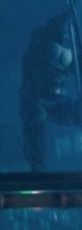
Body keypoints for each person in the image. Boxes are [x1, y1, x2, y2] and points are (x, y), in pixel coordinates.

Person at [20, 10, 82, 172]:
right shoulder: (40, 48)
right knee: (35, 124)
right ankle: (38, 168)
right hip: (37, 100)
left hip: (56, 100)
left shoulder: (69, 48)